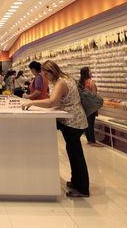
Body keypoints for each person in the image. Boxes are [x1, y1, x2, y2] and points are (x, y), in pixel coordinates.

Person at [23, 60, 90, 198]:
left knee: (76, 154)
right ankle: (77, 182)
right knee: (73, 152)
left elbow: (51, 102)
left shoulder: (60, 83)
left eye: (46, 73)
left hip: (73, 122)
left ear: (51, 71)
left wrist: (32, 102)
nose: (45, 76)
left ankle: (83, 188)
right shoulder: (66, 78)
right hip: (74, 120)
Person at [80, 67, 103, 147]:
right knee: (91, 124)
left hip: (84, 106)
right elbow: (94, 95)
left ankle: (89, 140)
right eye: (90, 70)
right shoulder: (91, 82)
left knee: (86, 123)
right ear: (87, 72)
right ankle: (93, 141)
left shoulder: (81, 83)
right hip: (91, 106)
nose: (91, 72)